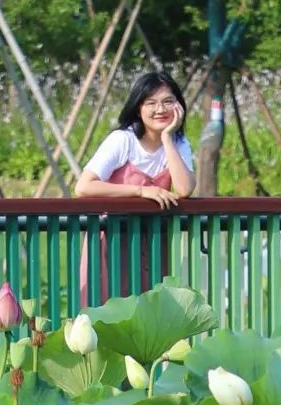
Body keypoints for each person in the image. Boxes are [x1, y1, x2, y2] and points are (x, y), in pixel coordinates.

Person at [74, 70, 195, 304]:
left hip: (152, 241)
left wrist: (168, 138)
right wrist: (140, 191)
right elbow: (84, 186)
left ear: (179, 106)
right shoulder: (123, 140)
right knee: (106, 311)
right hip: (111, 240)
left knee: (149, 316)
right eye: (151, 103)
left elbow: (184, 189)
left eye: (168, 102)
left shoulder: (179, 143)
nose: (160, 109)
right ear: (138, 108)